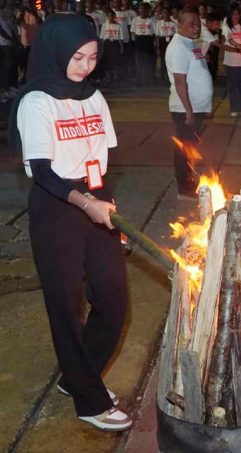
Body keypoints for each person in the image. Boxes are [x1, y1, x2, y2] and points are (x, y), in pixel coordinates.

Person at [9, 13, 131, 432]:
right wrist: (84, 202)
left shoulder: (94, 97)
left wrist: (104, 200)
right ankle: (88, 400)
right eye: (77, 57)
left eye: (92, 57)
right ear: (55, 53)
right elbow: (41, 171)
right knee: (66, 306)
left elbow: (100, 159)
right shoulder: (37, 102)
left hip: (94, 201)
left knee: (113, 299)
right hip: (57, 207)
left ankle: (79, 377)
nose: (85, 66)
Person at [165, 8, 213, 199]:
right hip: (186, 109)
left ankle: (189, 180)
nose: (196, 27)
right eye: (191, 23)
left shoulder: (190, 43)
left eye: (198, 23)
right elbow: (179, 81)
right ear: (179, 25)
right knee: (184, 148)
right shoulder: (178, 47)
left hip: (197, 107)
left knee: (190, 146)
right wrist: (189, 111)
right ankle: (184, 189)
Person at [223, 6, 241, 117]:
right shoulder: (226, 27)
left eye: (237, 14)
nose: (236, 16)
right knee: (233, 86)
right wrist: (238, 46)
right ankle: (234, 108)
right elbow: (229, 40)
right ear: (230, 15)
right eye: (234, 14)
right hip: (230, 62)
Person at [130, 2, 155, 85]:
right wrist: (134, 43)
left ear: (148, 10)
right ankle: (139, 80)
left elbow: (154, 33)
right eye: (141, 8)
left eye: (144, 9)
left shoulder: (151, 20)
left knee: (148, 61)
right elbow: (133, 32)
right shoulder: (135, 20)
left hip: (148, 40)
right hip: (139, 40)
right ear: (139, 10)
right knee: (139, 61)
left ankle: (148, 80)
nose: (143, 10)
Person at [100, 9, 125, 85]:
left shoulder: (118, 26)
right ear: (107, 17)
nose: (110, 17)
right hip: (107, 44)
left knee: (115, 61)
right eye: (109, 16)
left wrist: (121, 48)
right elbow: (102, 38)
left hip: (115, 44)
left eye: (112, 16)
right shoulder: (104, 25)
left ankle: (115, 79)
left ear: (114, 16)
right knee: (107, 61)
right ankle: (109, 78)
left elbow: (121, 38)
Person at [154, 7, 176, 83]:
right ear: (162, 14)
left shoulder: (173, 23)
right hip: (162, 41)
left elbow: (176, 35)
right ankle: (163, 75)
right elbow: (157, 36)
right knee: (163, 59)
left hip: (171, 40)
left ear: (170, 14)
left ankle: (171, 75)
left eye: (167, 13)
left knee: (171, 59)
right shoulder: (159, 23)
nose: (165, 14)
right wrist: (157, 46)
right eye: (164, 13)